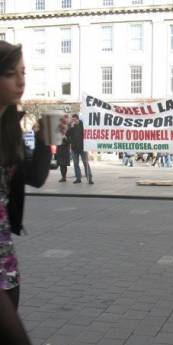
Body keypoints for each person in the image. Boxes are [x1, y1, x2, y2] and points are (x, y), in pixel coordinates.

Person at [0, 41, 51, 310]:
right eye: (10, 74)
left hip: (5, 259)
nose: (21, 81)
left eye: (24, 72)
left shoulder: (10, 126)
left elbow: (35, 177)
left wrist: (45, 141)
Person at [66, 114, 94, 184]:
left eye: (74, 120)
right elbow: (67, 135)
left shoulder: (83, 125)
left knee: (85, 163)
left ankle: (89, 178)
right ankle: (78, 178)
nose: (73, 121)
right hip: (74, 148)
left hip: (83, 147)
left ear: (78, 119)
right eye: (72, 120)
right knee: (76, 163)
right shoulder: (71, 126)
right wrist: (71, 128)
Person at [56, 115, 71, 182]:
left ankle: (64, 177)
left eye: (65, 119)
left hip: (65, 148)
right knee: (61, 164)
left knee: (64, 164)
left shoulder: (69, 128)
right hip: (59, 148)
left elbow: (70, 140)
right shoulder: (59, 128)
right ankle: (63, 177)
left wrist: (65, 138)